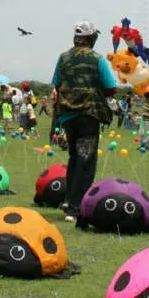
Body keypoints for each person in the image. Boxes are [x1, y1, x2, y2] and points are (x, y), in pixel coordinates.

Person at [52, 20, 117, 222]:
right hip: (88, 116)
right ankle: (75, 207)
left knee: (74, 156)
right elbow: (110, 87)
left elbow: (56, 83)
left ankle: (67, 199)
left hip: (67, 117)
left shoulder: (63, 58)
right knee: (86, 160)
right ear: (91, 38)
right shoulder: (97, 59)